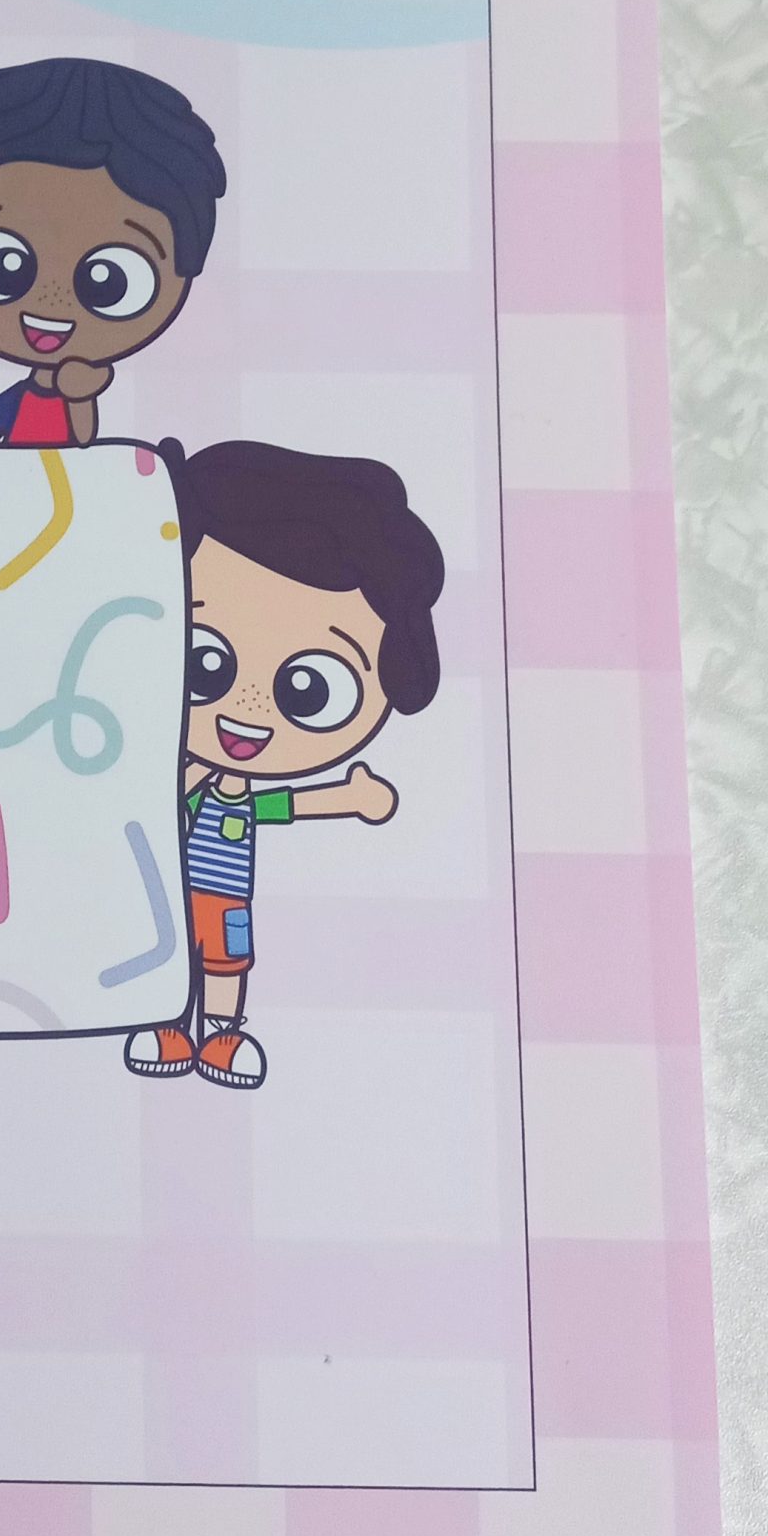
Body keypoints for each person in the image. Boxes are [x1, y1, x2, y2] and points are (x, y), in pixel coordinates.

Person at [125, 439, 444, 1091]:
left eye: (308, 690)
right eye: (204, 664)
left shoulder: (235, 793)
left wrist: (348, 798)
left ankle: (222, 1032)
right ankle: (169, 1023)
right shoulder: (176, 776)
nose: (247, 710)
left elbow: (283, 806)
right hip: (163, 892)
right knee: (167, 950)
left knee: (225, 961)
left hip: (225, 892)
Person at [0, 57, 224, 449]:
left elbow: (83, 440)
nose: (51, 300)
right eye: (2, 269)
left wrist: (80, 396)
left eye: (107, 284)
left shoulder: (73, 390)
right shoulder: (21, 398)